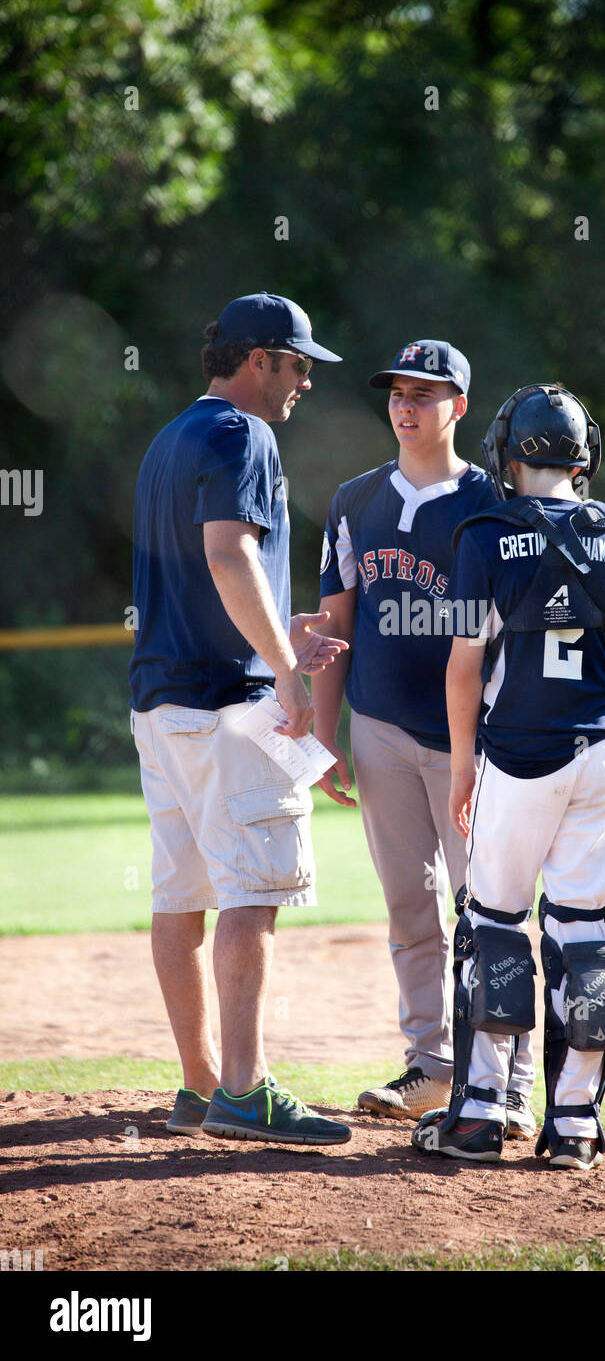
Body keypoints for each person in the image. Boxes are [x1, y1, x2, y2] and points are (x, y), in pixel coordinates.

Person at [411, 383, 605, 1166]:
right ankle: (575, 1125)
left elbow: (463, 668)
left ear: (511, 453)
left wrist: (462, 766)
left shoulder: (484, 534)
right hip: (599, 756)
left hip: (517, 757)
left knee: (493, 922)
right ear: (583, 456)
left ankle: (482, 1114)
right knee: (583, 934)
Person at [129, 291, 352, 1147]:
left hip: (164, 703)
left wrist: (278, 634)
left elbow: (200, 578)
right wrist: (289, 677)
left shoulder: (169, 439)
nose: (303, 384)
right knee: (253, 895)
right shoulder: (241, 433)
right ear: (259, 361)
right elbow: (229, 554)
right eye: (298, 366)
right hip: (229, 705)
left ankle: (198, 1084)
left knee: (180, 895)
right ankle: (245, 1091)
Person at [313, 340, 535, 1134]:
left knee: (492, 908)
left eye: (427, 393)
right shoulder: (354, 500)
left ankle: (508, 1080)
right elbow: (337, 623)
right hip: (377, 730)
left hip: (474, 740)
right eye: (398, 392)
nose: (407, 405)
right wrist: (322, 729)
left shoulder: (495, 505)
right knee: (411, 906)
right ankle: (432, 1064)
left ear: (459, 408)